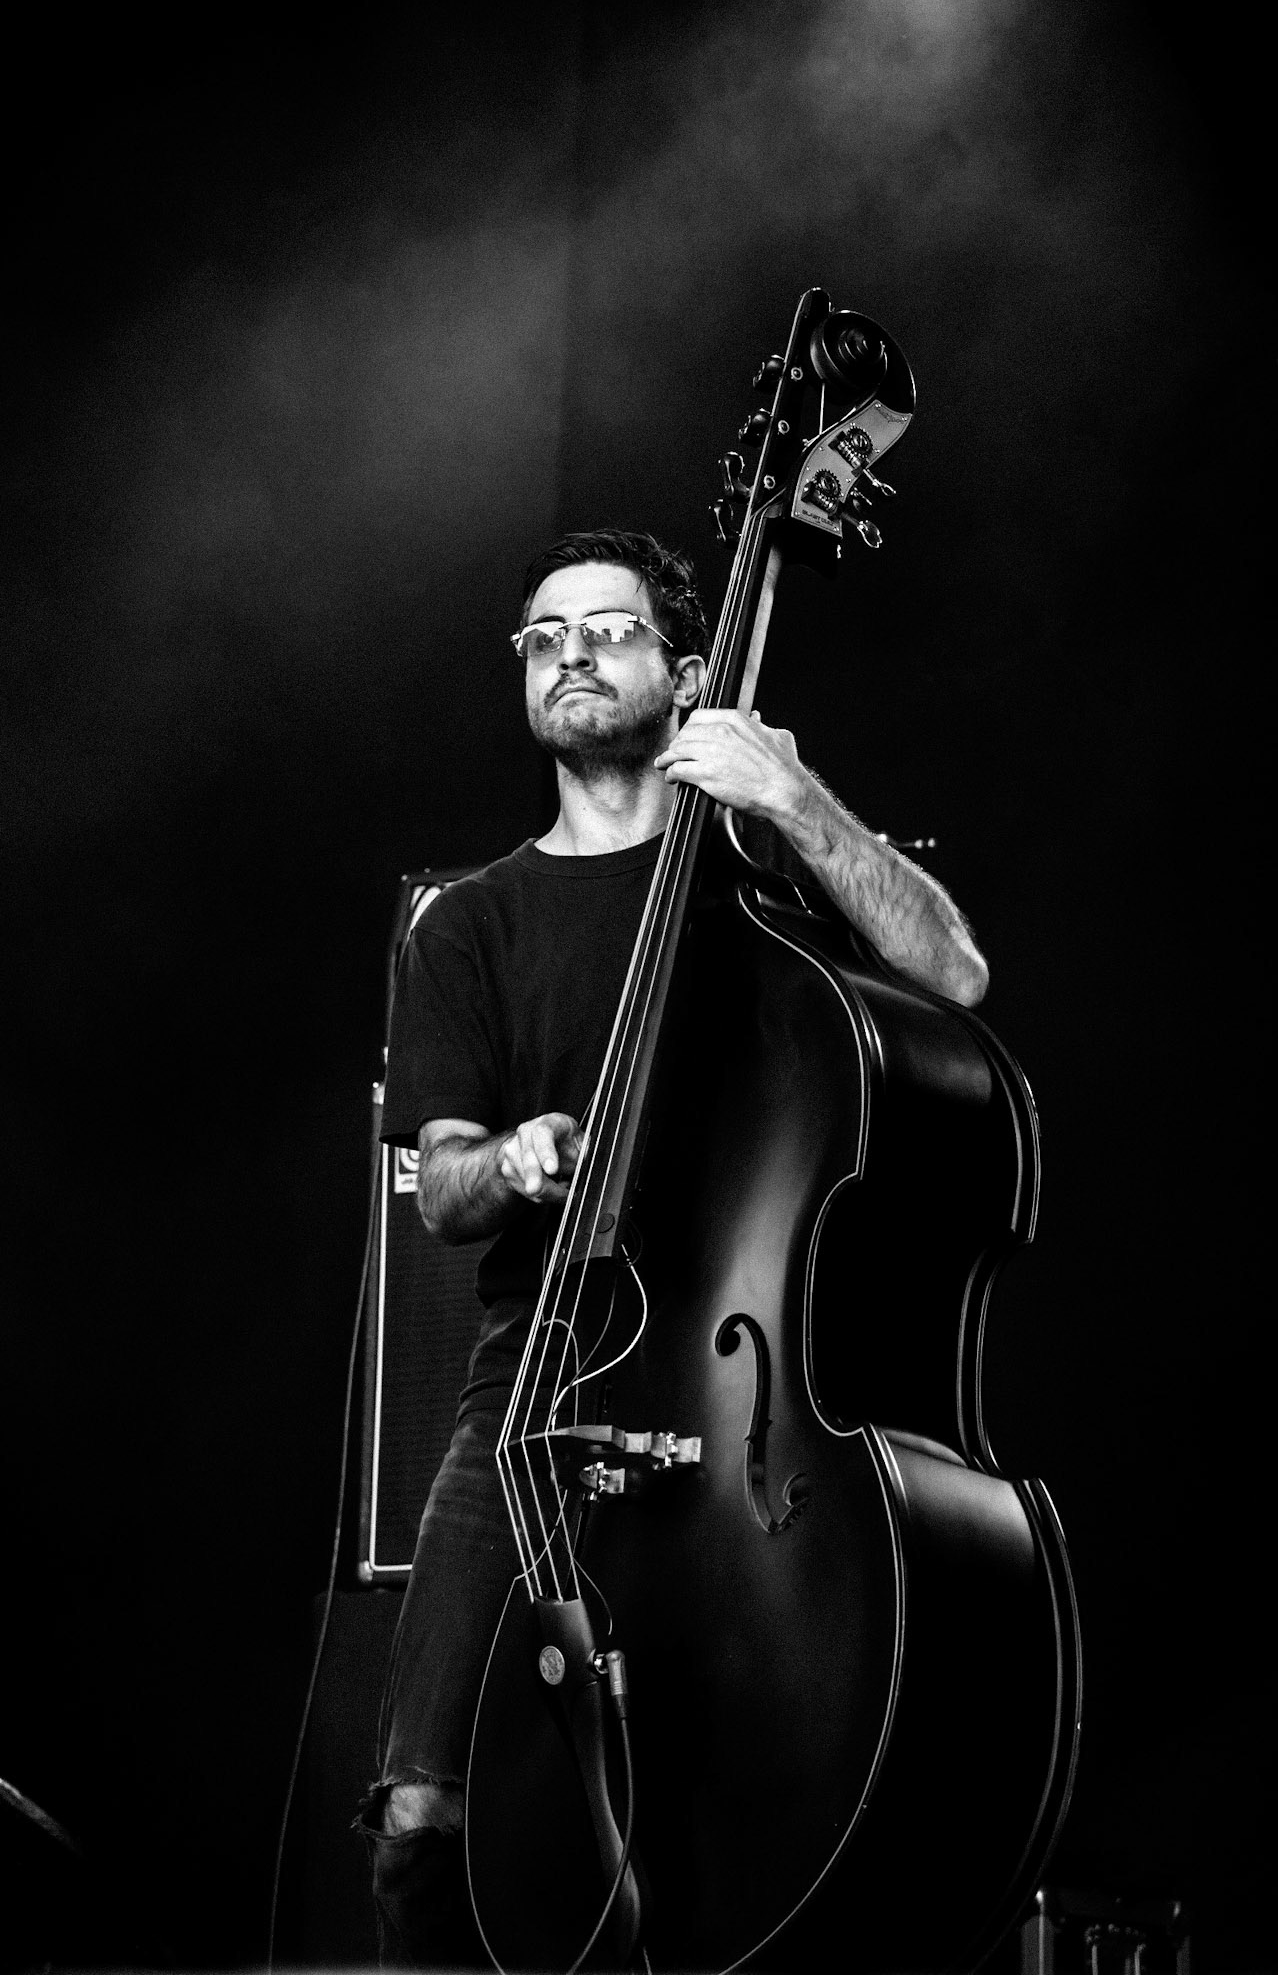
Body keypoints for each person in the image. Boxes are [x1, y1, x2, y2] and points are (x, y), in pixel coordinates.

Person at [363, 526, 988, 1964]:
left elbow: (951, 973)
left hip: (742, 1396)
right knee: (418, 1812)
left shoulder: (759, 876)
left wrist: (795, 799)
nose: (571, 653)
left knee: (741, 1805)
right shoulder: (470, 925)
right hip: (534, 1380)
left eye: (609, 628)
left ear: (689, 670)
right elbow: (443, 1187)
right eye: (543, 636)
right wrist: (513, 1156)